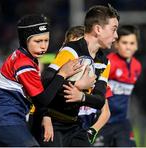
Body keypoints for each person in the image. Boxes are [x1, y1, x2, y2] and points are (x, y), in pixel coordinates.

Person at [0, 14, 83, 147]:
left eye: (46, 40)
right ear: (24, 40)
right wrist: (62, 74)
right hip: (6, 121)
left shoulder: (21, 57)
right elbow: (41, 100)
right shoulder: (24, 63)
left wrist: (45, 115)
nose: (43, 46)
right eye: (38, 41)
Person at [32, 4, 119, 147]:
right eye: (113, 29)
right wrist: (77, 86)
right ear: (98, 29)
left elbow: (99, 100)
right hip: (51, 122)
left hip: (74, 124)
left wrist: (82, 96)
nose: (116, 36)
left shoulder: (104, 62)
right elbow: (45, 81)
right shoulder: (71, 51)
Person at [94, 25, 142, 147]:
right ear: (116, 44)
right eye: (124, 42)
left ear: (136, 45)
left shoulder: (137, 66)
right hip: (103, 122)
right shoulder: (108, 63)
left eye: (132, 43)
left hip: (122, 122)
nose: (128, 47)